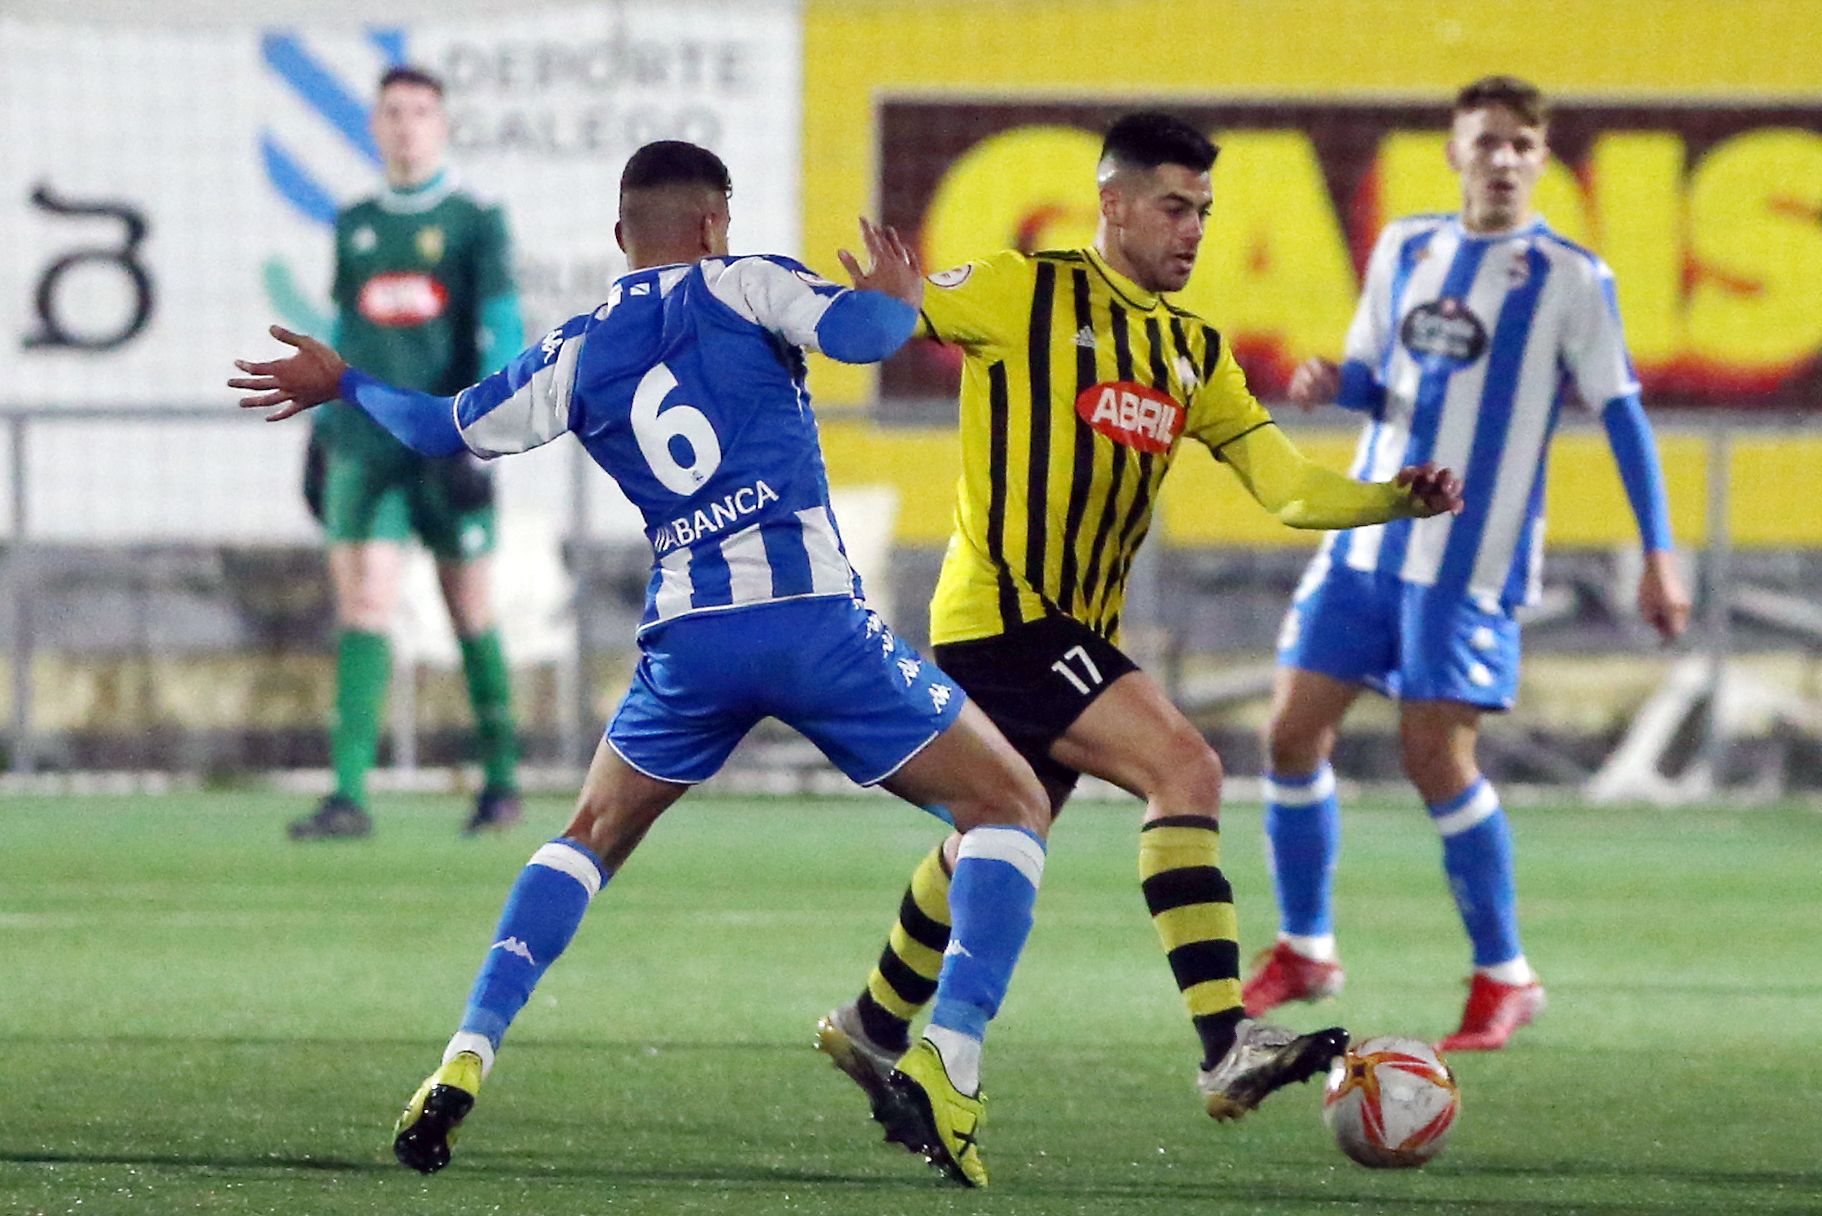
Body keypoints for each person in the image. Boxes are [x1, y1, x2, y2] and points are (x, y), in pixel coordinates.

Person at [232, 141, 1053, 1189]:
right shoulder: (749, 279)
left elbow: (444, 431)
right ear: (714, 223)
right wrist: (892, 291)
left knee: (588, 835)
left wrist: (342, 379)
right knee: (1009, 805)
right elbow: (871, 333)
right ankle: (953, 1061)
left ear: (623, 239)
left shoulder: (579, 348)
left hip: (689, 643)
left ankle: (466, 1055)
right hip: (810, 622)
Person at [815, 113, 1463, 1124]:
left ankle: (873, 1021)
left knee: (996, 831)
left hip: (1068, 629)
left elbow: (1288, 490)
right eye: (1174, 206)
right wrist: (887, 308)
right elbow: (895, 319)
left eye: (1204, 210)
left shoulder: (1192, 351)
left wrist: (1394, 497)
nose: (1193, 229)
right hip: (1003, 614)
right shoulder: (1024, 288)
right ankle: (1225, 1040)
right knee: (1186, 767)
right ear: (1111, 204)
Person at [1242, 76, 1691, 1051]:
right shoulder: (1405, 249)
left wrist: (1659, 552)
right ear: (1455, 152)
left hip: (1469, 561)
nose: (1503, 159)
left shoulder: (1572, 278)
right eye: (1486, 141)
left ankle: (1505, 973)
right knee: (1288, 734)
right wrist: (1333, 381)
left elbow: (1621, 413)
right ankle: (1307, 946)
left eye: (1523, 144)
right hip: (1366, 539)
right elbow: (1377, 376)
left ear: (1541, 161)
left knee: (1432, 755)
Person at [291, 64, 529, 841]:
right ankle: (348, 794)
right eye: (393, 111)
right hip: (363, 442)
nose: (406, 125)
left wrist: (480, 430)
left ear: (443, 124)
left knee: (469, 606)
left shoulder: (474, 221)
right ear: (373, 124)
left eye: (421, 111)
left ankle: (500, 781)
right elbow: (347, 330)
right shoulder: (354, 221)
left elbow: (500, 327)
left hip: (444, 443)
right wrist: (319, 428)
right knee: (364, 602)